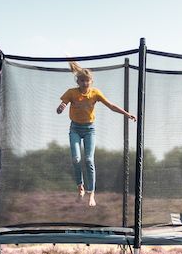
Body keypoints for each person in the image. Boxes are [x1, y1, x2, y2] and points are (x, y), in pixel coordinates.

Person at [56, 62, 135, 207]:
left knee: (89, 160)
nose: (85, 83)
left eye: (87, 81)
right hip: (75, 128)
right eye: (82, 80)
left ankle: (91, 193)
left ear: (91, 81)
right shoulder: (71, 92)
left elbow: (111, 106)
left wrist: (127, 114)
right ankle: (80, 187)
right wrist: (61, 107)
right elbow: (62, 105)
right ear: (78, 81)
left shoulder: (95, 93)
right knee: (76, 158)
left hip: (89, 130)